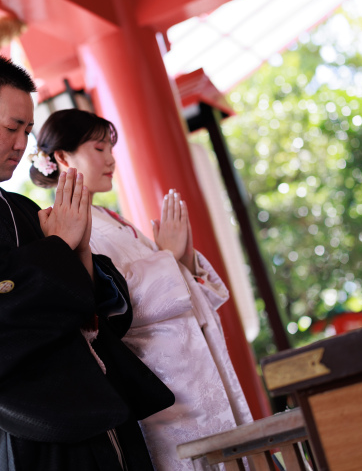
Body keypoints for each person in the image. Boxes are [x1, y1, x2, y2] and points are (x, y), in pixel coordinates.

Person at [0, 57, 174, 471]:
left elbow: (88, 313)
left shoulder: (23, 209)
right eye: (12, 128)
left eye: (27, 131)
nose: (20, 144)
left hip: (87, 404)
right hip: (16, 425)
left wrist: (77, 248)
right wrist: (59, 245)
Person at [31, 109, 254, 470]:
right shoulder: (60, 226)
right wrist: (168, 257)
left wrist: (181, 259)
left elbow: (178, 295)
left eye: (111, 148)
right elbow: (112, 303)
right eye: (99, 148)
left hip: (190, 369)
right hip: (161, 381)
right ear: (62, 157)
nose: (110, 158)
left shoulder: (113, 219)